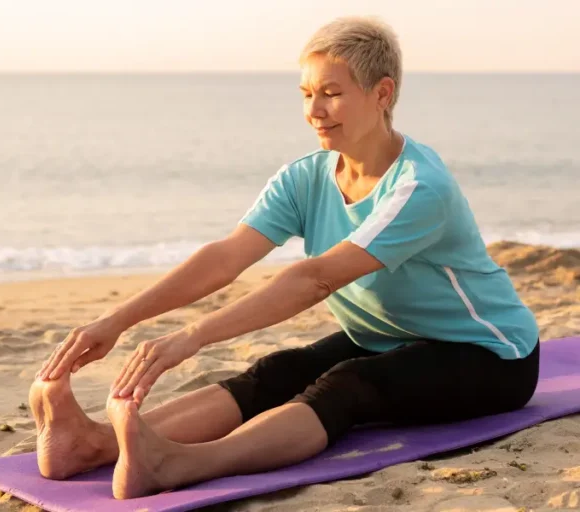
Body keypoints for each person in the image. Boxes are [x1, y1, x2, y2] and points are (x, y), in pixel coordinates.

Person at [30, 16, 540, 500]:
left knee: (348, 385)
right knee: (277, 371)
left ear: (382, 94)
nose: (314, 110)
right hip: (388, 337)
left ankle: (179, 464)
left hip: (489, 356)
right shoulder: (305, 177)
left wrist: (193, 337)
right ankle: (94, 445)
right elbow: (226, 258)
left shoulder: (418, 187)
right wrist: (117, 320)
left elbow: (316, 279)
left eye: (333, 94)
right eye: (307, 94)